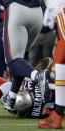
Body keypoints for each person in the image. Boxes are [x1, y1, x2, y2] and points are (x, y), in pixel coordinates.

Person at [0, 0, 50, 112]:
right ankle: (12, 97)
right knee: (20, 60)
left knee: (13, 62)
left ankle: (38, 76)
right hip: (37, 13)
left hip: (16, 10)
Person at [38, 0, 65, 129]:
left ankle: (58, 113)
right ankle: (58, 112)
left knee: (60, 58)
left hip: (62, 9)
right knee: (60, 59)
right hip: (59, 12)